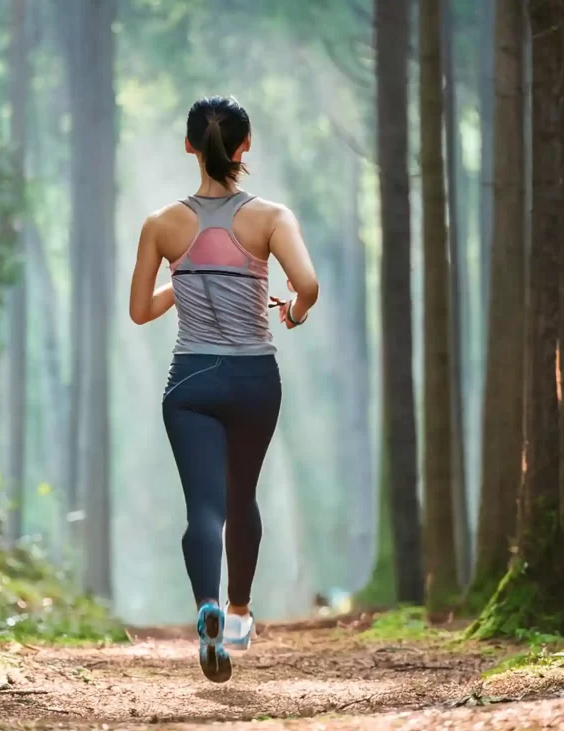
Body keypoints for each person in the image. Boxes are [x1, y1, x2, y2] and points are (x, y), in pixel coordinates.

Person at [128, 95, 319, 683]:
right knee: (242, 499)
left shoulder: (162, 225)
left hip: (190, 381)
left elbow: (140, 311)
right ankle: (237, 614)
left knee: (203, 510)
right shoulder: (271, 218)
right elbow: (307, 284)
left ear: (190, 146)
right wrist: (293, 311)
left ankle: (204, 608)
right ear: (245, 147)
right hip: (254, 379)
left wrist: (182, 281)